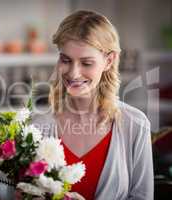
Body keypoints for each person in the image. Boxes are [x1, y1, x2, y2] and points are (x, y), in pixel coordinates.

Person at [32, 10, 154, 200]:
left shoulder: (135, 125)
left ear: (109, 60)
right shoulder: (38, 126)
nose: (73, 73)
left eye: (86, 63)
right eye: (66, 60)